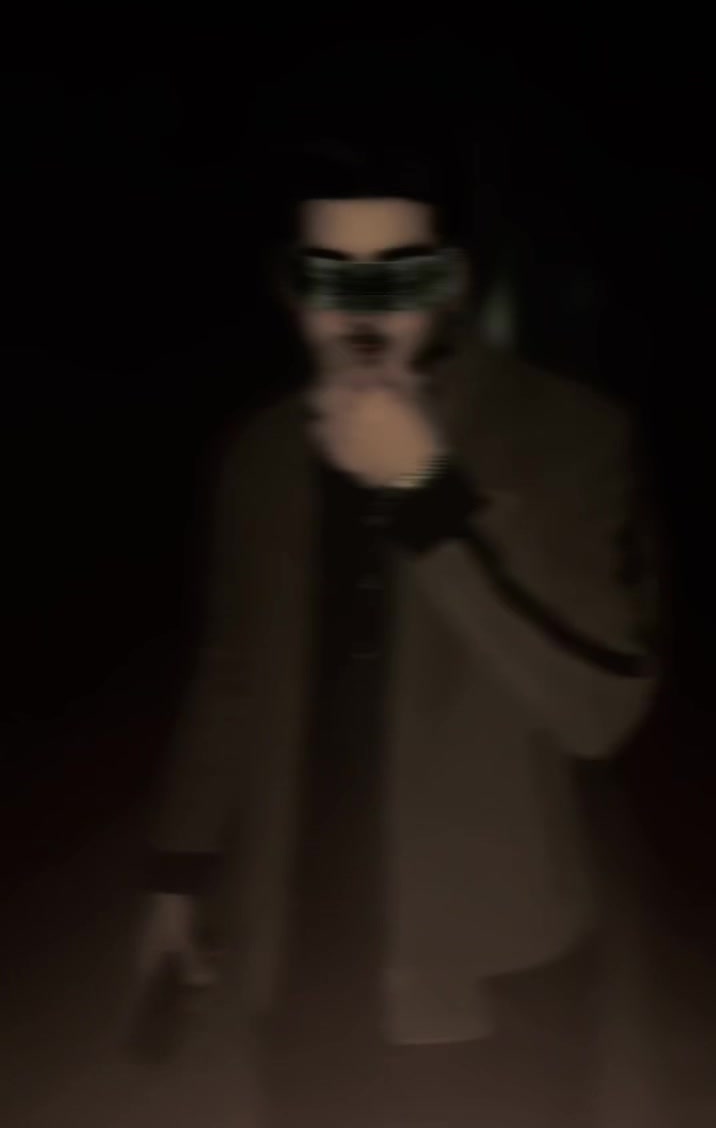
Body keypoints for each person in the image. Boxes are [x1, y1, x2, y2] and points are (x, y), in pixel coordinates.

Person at [133, 141, 659, 1125]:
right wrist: (179, 873)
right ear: (291, 284)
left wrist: (428, 494)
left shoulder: (566, 432)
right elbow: (231, 674)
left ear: (452, 280)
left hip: (494, 977)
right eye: (330, 273)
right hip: (301, 964)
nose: (362, 311)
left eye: (399, 273)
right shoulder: (259, 455)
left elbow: (600, 708)